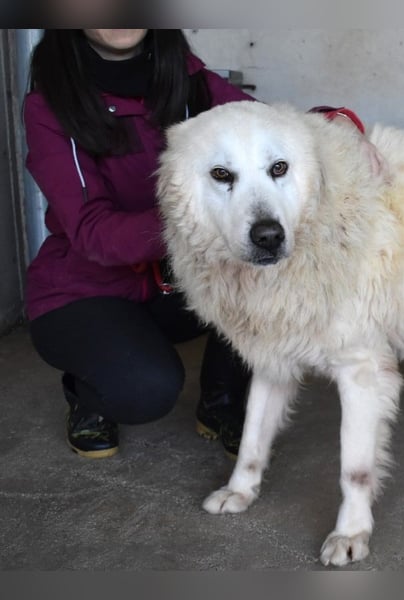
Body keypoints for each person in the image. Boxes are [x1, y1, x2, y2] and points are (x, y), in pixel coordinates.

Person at [23, 29, 377, 459]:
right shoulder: (50, 107)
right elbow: (92, 231)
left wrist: (335, 124)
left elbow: (277, 131)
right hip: (88, 290)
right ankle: (86, 392)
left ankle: (222, 401)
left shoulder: (193, 82)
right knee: (144, 389)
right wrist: (205, 223)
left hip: (177, 282)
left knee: (267, 281)